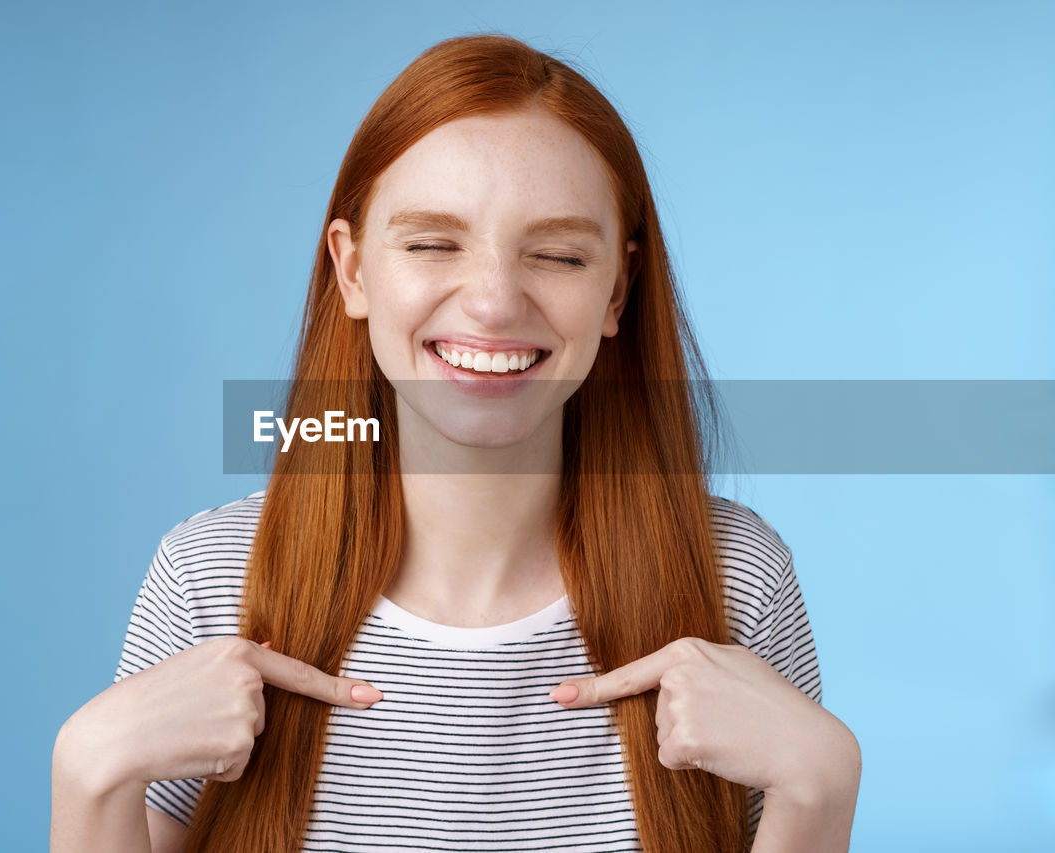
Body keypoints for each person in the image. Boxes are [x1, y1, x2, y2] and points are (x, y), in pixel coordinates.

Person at [51, 33, 861, 853]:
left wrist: (820, 792)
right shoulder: (206, 579)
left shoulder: (737, 578)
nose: (494, 302)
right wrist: (88, 771)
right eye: (433, 243)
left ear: (616, 291)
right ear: (353, 269)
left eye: (556, 254)